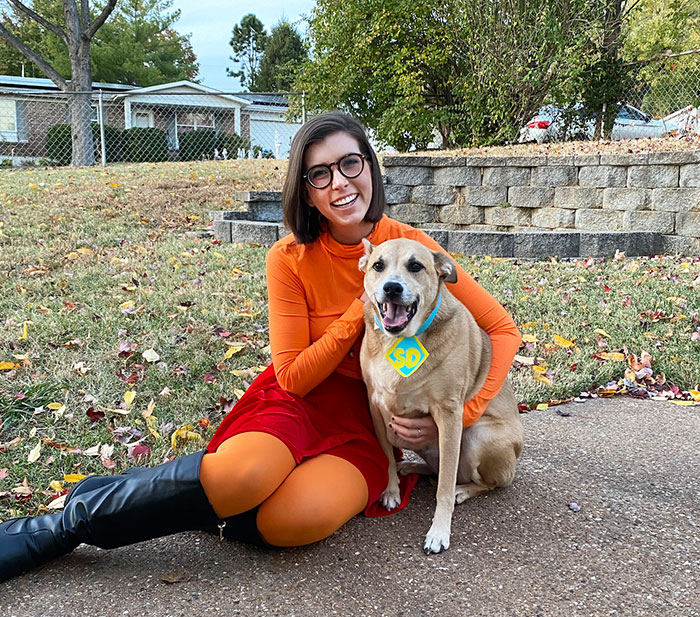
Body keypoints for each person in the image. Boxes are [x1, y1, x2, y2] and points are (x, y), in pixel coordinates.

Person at [0, 111, 521, 582]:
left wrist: (463, 413)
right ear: (307, 188)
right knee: (244, 476)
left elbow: (502, 331)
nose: (340, 183)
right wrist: (354, 314)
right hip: (298, 397)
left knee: (293, 520)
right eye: (321, 173)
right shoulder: (289, 258)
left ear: (370, 168)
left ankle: (203, 508)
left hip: (364, 418)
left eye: (350, 163)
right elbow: (294, 375)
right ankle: (62, 525)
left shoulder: (410, 249)